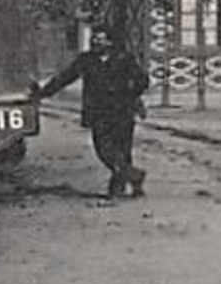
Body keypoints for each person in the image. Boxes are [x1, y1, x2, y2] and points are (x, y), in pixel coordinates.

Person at [33, 28, 151, 199]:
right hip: (99, 112)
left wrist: (131, 91)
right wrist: (43, 93)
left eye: (101, 39)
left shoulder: (125, 58)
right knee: (103, 149)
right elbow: (65, 77)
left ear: (110, 42)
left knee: (123, 150)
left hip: (123, 110)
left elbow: (143, 79)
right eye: (94, 39)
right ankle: (133, 176)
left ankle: (119, 189)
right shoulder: (87, 60)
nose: (96, 42)